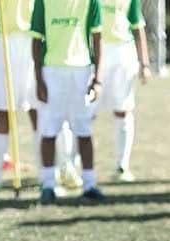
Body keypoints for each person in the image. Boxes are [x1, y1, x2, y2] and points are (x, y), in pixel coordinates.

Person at [30, 0, 105, 205]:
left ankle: (89, 185)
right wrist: (38, 79)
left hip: (82, 72)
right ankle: (47, 185)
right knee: (48, 131)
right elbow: (36, 40)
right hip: (51, 72)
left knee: (84, 130)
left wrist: (98, 79)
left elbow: (97, 38)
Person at [0, 0, 41, 196]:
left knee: (38, 113)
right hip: (6, 42)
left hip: (33, 39)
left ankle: (47, 177)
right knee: (3, 114)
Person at [91, 0, 153, 182]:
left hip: (122, 54)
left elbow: (138, 28)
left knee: (122, 110)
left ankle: (122, 165)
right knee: (86, 113)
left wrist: (145, 64)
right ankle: (76, 166)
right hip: (95, 51)